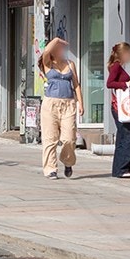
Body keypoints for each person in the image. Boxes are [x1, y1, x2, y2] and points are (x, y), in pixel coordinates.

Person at [38, 38, 82, 179]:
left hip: (68, 103)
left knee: (69, 138)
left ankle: (68, 161)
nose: (61, 50)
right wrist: (56, 39)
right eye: (57, 48)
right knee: (50, 138)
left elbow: (76, 84)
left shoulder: (70, 64)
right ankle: (50, 169)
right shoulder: (48, 63)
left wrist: (81, 103)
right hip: (51, 104)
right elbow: (45, 51)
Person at [106, 43, 130, 178]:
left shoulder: (118, 66)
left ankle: (119, 169)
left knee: (123, 137)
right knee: (128, 136)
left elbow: (123, 83)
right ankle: (122, 168)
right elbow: (110, 83)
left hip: (119, 107)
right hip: (119, 107)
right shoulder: (116, 66)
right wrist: (127, 83)